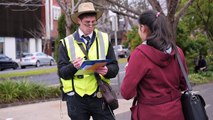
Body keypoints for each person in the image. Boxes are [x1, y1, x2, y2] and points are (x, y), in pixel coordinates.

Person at [120, 10, 188, 120]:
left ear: (143, 28)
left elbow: (126, 93)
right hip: (176, 112)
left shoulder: (140, 55)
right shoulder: (177, 51)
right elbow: (184, 85)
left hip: (150, 113)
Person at [57, 2, 119, 120]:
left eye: (93, 22)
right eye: (87, 23)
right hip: (76, 99)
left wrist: (107, 70)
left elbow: (115, 68)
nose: (91, 26)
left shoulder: (104, 39)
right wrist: (73, 67)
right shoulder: (66, 43)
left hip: (100, 95)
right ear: (79, 21)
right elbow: (62, 73)